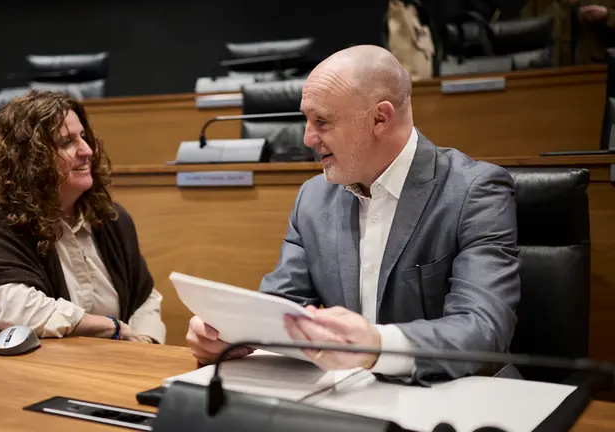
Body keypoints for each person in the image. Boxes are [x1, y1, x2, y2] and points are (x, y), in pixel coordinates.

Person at [186, 45, 521, 383]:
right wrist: (234, 335)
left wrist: (377, 347)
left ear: (380, 118)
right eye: (307, 119)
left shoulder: (474, 191)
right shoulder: (314, 198)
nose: (307, 138)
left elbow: (483, 328)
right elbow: (284, 306)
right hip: (344, 397)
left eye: (322, 122)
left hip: (450, 397)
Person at [0, 91, 166, 344]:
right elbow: (18, 311)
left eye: (83, 137)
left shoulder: (111, 217)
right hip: (30, 371)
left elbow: (145, 299)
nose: (87, 150)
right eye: (67, 142)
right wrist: (112, 328)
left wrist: (146, 345)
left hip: (115, 367)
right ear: (28, 158)